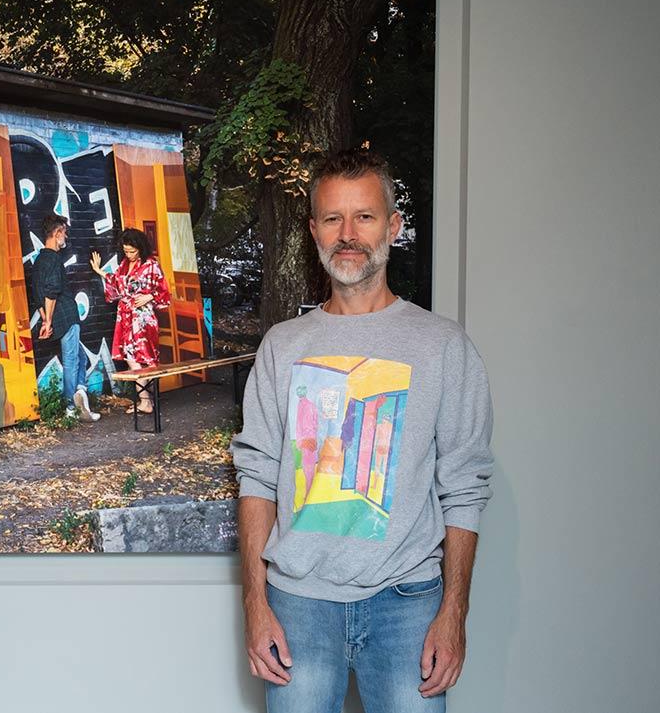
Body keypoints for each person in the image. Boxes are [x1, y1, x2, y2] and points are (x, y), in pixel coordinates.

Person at [232, 148, 493, 713]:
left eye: (365, 217)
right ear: (314, 230)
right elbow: (255, 477)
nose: (348, 234)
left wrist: (454, 614)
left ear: (393, 227)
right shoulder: (283, 345)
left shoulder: (443, 346)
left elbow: (464, 487)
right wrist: (255, 603)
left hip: (408, 603)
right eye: (332, 218)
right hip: (297, 603)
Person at [90, 227, 170, 413]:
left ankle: (146, 401)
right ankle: (146, 400)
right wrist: (99, 271)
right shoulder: (125, 265)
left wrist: (150, 296)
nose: (129, 254)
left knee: (145, 359)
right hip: (126, 317)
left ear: (140, 248)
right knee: (131, 357)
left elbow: (164, 290)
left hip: (143, 318)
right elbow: (117, 283)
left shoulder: (151, 265)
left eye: (132, 251)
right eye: (126, 251)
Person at [31, 214, 99, 421]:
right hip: (66, 316)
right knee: (71, 360)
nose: (66, 237)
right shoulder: (53, 259)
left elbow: (37, 295)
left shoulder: (39, 260)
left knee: (79, 357)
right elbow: (51, 292)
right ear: (57, 232)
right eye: (64, 233)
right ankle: (71, 406)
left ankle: (80, 394)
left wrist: (44, 318)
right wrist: (48, 321)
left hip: (57, 316)